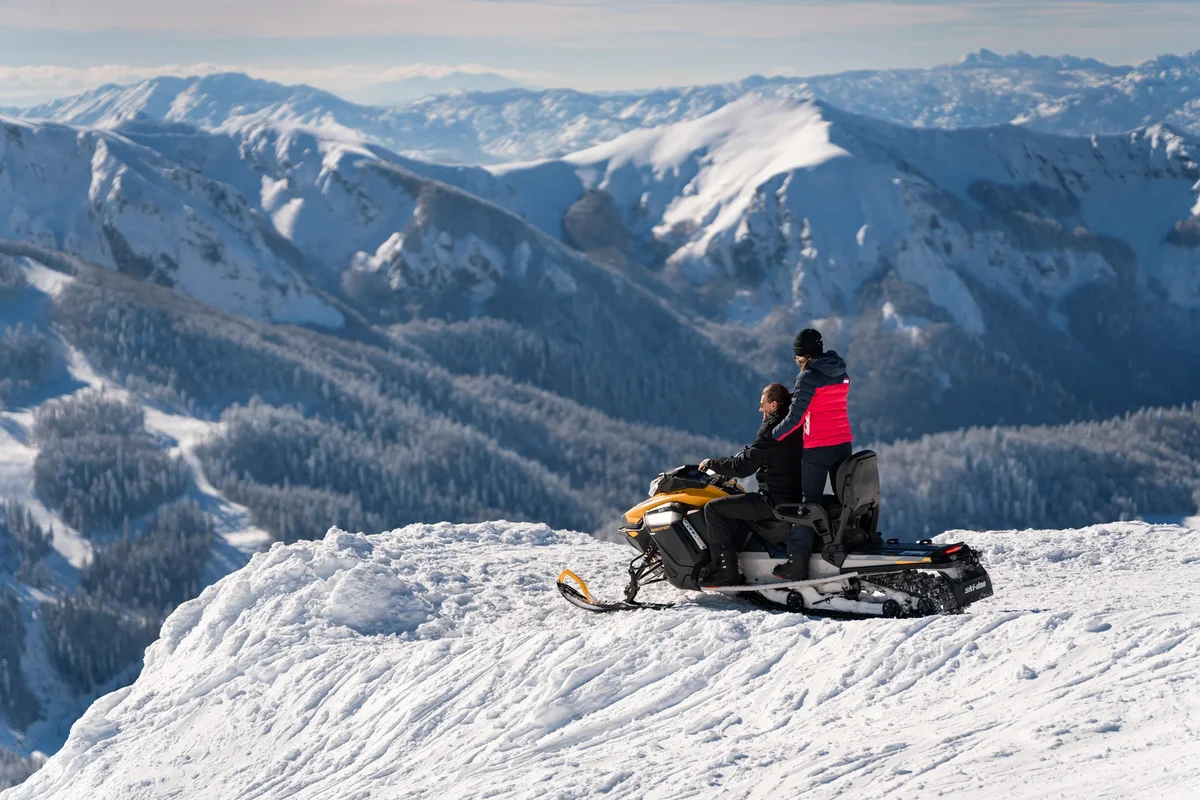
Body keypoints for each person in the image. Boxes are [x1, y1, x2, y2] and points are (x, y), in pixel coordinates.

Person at [697, 383, 805, 586]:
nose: (759, 409)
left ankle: (726, 570)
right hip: (793, 495)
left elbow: (743, 467)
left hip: (772, 502)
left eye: (762, 404)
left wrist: (712, 464)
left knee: (714, 509)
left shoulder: (773, 428)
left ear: (773, 404)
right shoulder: (793, 423)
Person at [769, 327, 854, 580]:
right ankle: (847, 546)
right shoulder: (840, 370)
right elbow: (822, 401)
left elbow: (796, 418)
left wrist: (773, 435)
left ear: (801, 356)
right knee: (845, 500)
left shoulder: (807, 377)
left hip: (818, 447)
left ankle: (797, 564)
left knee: (807, 504)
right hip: (843, 442)